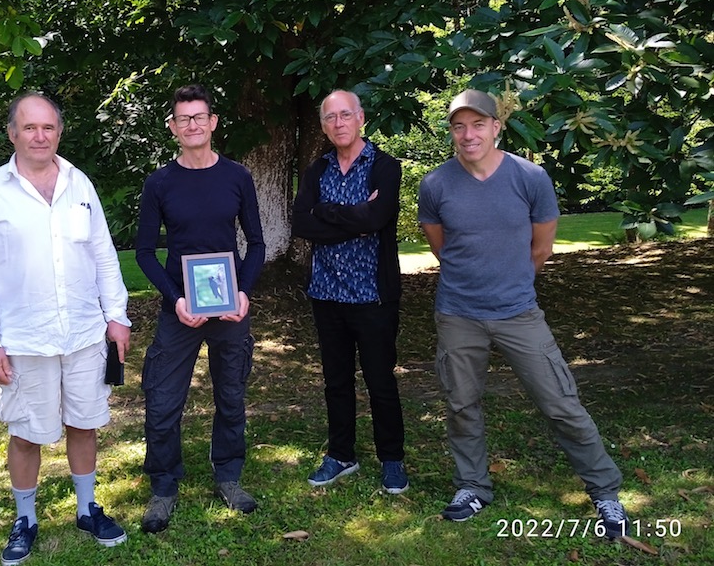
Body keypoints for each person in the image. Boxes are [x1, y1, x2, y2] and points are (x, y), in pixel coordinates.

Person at [417, 89, 628, 537]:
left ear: (497, 127)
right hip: (458, 313)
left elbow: (542, 247)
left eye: (478, 124)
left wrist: (510, 283)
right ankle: (472, 486)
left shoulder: (530, 177)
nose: (468, 134)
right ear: (452, 132)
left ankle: (606, 493)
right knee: (461, 405)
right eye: (459, 126)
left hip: (518, 313)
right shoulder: (435, 184)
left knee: (560, 402)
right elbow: (443, 249)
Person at [0, 92, 132, 565]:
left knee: (84, 423)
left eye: (48, 128)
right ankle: (26, 518)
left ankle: (86, 507)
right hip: (23, 339)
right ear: (13, 133)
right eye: (30, 128)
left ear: (59, 132)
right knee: (26, 433)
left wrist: (117, 316)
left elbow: (103, 255)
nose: (40, 136)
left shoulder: (80, 184)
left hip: (83, 333)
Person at [135, 83, 266, 533]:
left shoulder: (237, 177)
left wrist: (244, 291)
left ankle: (228, 476)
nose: (192, 125)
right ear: (173, 127)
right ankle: (163, 486)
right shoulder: (160, 183)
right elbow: (145, 253)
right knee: (162, 400)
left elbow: (257, 243)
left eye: (199, 117)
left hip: (230, 309)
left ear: (212, 122)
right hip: (181, 310)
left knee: (231, 395)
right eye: (182, 118)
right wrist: (176, 299)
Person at [290, 90, 409, 494]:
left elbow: (378, 217)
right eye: (330, 118)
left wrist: (329, 212)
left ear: (360, 119)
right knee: (336, 381)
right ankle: (342, 454)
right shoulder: (316, 170)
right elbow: (302, 224)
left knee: (380, 380)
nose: (338, 123)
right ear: (323, 126)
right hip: (326, 294)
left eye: (345, 115)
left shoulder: (384, 166)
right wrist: (353, 220)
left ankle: (391, 459)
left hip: (373, 295)